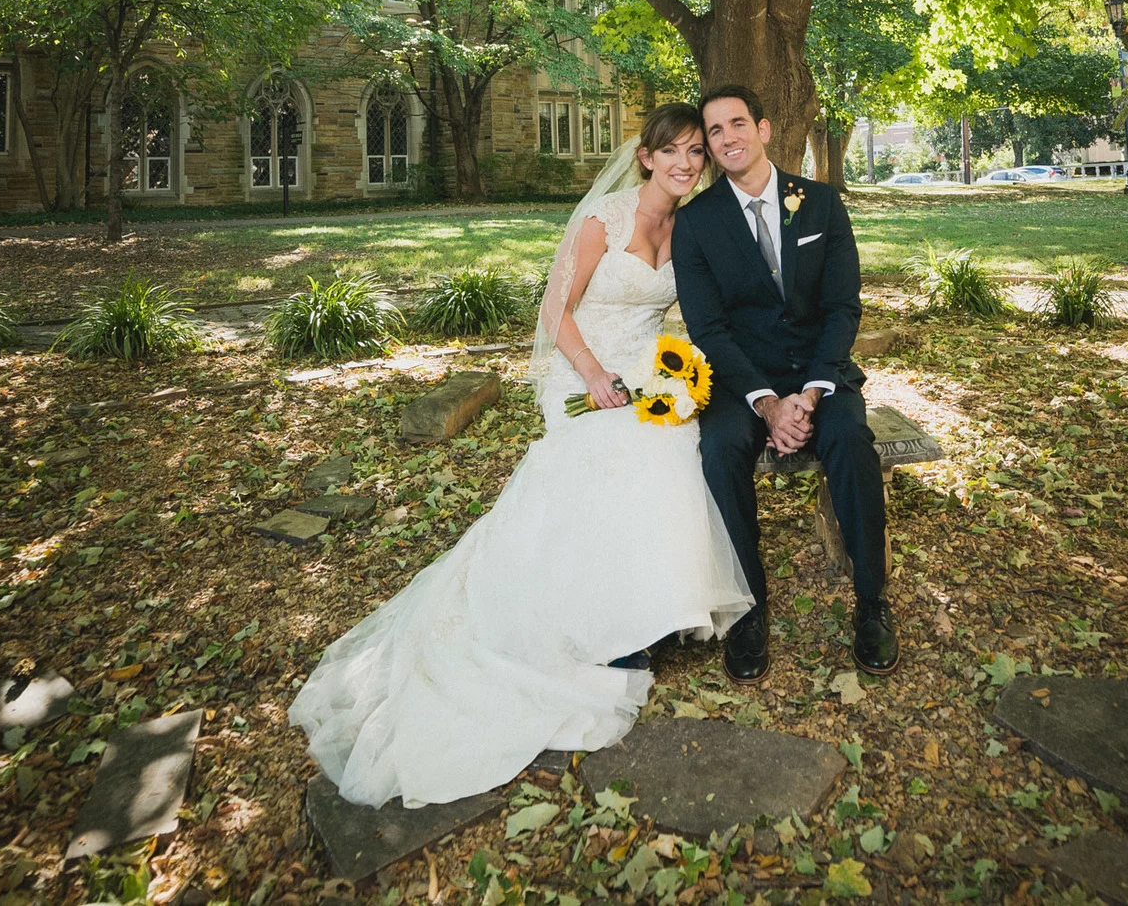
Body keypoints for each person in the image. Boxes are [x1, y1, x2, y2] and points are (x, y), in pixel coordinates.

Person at [287, 104, 753, 809]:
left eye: (697, 152)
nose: (686, 163)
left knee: (678, 445)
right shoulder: (604, 221)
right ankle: (598, 626)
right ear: (647, 157)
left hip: (643, 372)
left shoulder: (691, 227)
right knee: (616, 454)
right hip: (582, 370)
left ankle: (650, 610)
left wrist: (675, 374)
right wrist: (593, 375)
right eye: (673, 151)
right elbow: (553, 311)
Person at [671, 84, 897, 683]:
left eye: (737, 124)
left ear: (764, 129)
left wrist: (812, 392)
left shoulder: (819, 203)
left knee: (851, 441)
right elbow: (708, 328)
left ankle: (871, 601)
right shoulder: (695, 222)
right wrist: (768, 403)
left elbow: (843, 307)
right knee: (719, 449)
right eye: (714, 131)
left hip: (821, 373)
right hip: (741, 381)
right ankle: (749, 608)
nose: (727, 138)